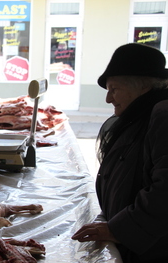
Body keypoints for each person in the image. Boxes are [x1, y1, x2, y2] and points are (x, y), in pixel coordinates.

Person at [71, 43, 168, 262]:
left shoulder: (163, 114)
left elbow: (165, 191)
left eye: (114, 89)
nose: (108, 99)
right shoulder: (140, 114)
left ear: (142, 87)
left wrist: (119, 229)